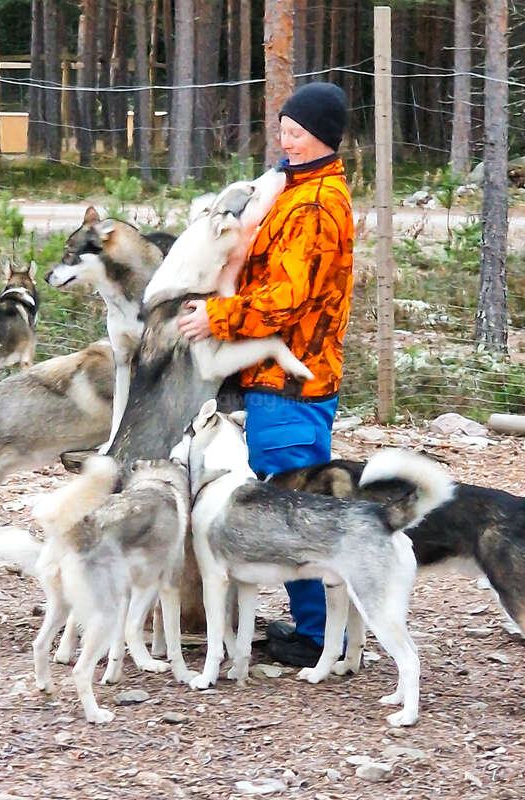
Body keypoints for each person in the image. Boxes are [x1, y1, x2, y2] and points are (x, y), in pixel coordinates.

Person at [178, 81, 354, 667]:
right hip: (278, 376)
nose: (285, 139)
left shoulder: (315, 206)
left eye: (297, 132)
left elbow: (285, 299)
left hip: (292, 383)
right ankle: (322, 631)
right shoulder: (288, 188)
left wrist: (216, 316)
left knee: (295, 505)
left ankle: (317, 639)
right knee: (298, 499)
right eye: (281, 127)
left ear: (325, 137)